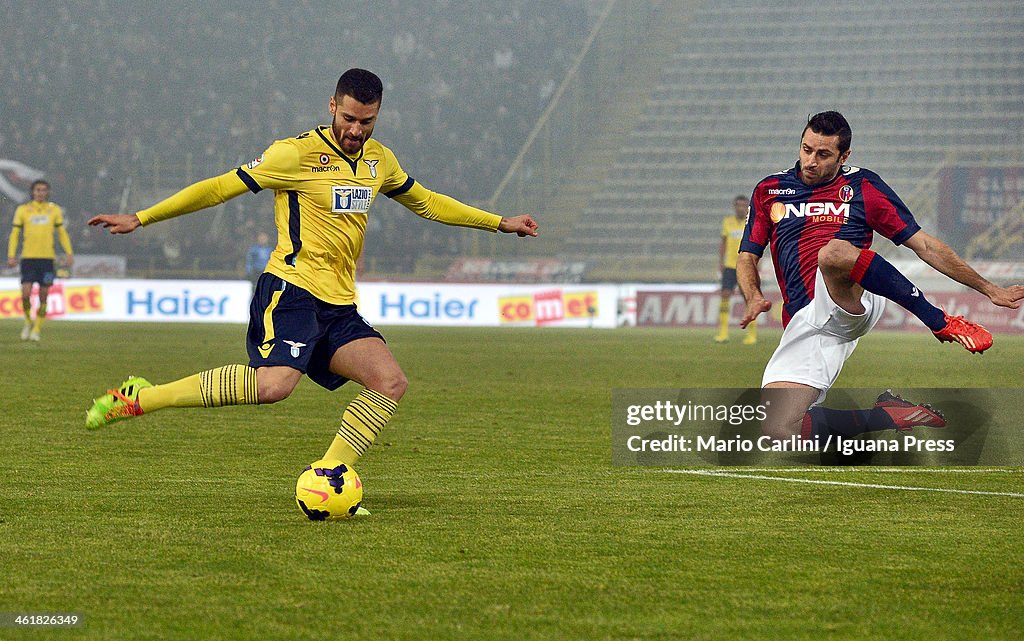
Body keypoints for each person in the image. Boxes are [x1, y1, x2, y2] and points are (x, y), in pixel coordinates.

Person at [84, 69, 539, 488]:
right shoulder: (295, 153)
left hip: (339, 304)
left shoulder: (380, 161)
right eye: (348, 118)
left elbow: (429, 202)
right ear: (331, 106)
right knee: (274, 386)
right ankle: (143, 396)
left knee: (389, 382)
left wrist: (499, 222)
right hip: (290, 290)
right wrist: (142, 217)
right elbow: (220, 187)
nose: (356, 131)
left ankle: (328, 474)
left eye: (367, 121)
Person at [737, 111, 1024, 444]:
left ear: (844, 156)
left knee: (832, 254)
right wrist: (753, 295)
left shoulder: (864, 186)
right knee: (777, 429)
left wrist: (989, 289)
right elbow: (747, 256)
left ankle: (939, 321)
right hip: (806, 320)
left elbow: (926, 245)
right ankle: (889, 414)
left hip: (850, 297)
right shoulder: (769, 190)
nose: (811, 161)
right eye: (806, 149)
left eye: (823, 154)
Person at [7, 180, 74, 341]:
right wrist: (11, 255)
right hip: (28, 258)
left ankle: (37, 329)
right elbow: (15, 234)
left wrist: (69, 252)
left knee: (44, 295)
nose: (40, 192)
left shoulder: (54, 210)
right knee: (25, 294)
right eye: (37, 190)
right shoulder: (23, 210)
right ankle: (29, 321)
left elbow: (62, 233)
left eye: (43, 190)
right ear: (32, 192)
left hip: (47, 260)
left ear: (47, 192)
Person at [714, 195, 756, 344]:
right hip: (730, 266)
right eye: (738, 205)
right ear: (734, 207)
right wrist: (721, 262)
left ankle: (751, 335)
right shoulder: (728, 222)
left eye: (744, 205)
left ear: (748, 207)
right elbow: (723, 243)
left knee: (748, 299)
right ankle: (723, 333)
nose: (741, 208)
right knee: (725, 295)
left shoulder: (752, 223)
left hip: (747, 266)